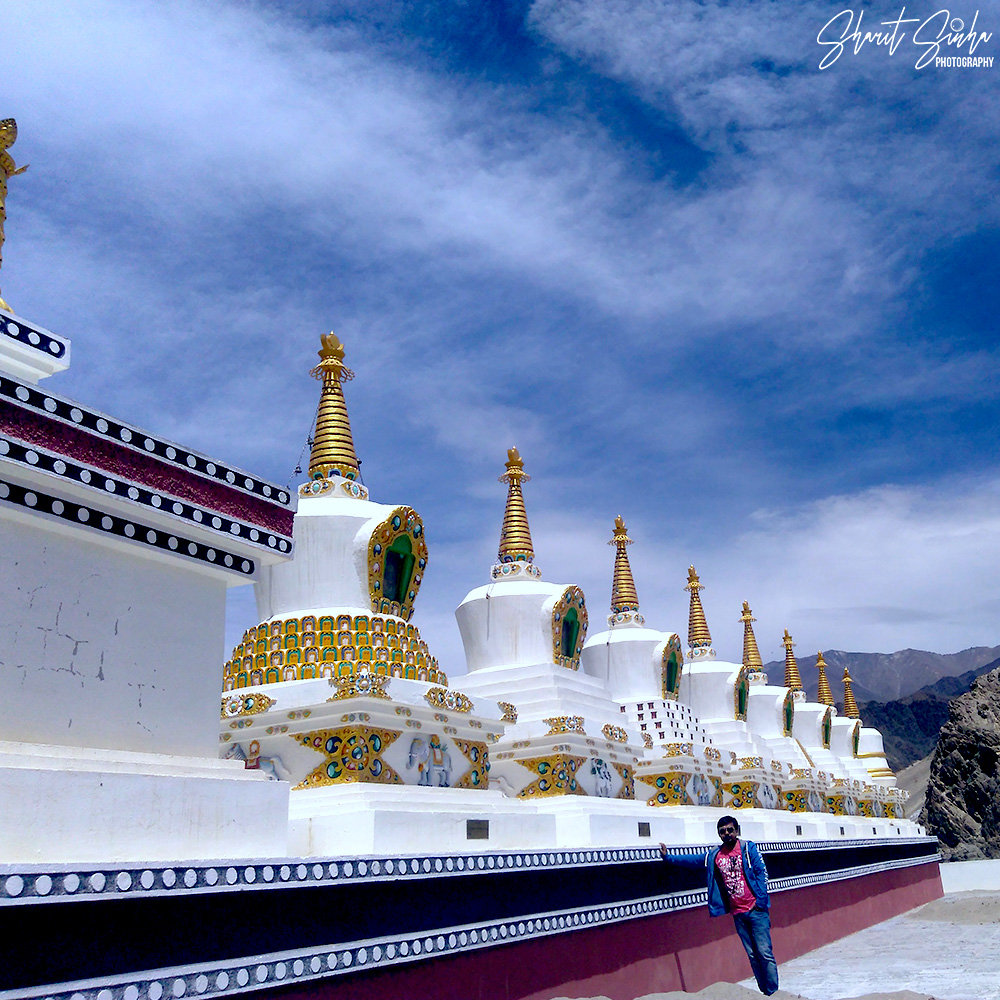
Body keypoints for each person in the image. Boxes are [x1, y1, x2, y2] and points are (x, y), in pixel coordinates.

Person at [659, 815, 778, 995]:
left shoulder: (748, 848)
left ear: (737, 831)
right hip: (738, 913)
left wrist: (759, 901)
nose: (727, 834)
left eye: (730, 830)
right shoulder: (715, 855)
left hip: (756, 911)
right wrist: (669, 858)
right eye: (723, 831)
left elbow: (762, 872)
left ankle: (774, 993)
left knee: (764, 953)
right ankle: (765, 993)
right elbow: (695, 861)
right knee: (753, 956)